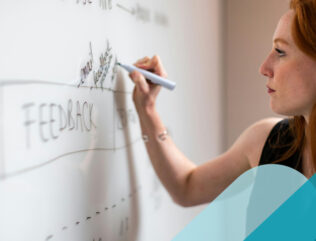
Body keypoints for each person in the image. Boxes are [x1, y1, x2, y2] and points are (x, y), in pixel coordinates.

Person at [128, 0, 316, 207]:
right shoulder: (268, 141)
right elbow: (186, 188)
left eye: (280, 52)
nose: (264, 68)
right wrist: (147, 109)